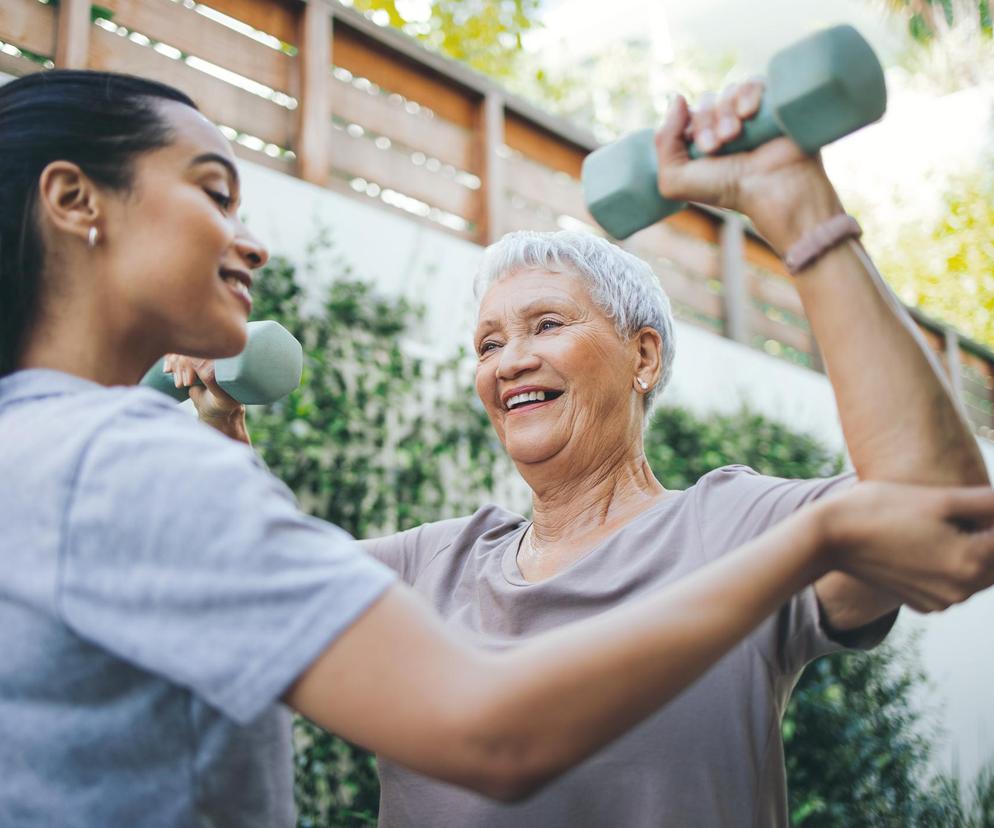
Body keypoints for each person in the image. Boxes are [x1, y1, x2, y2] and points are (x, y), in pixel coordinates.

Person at [3, 69, 991, 828]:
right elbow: (245, 589)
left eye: (547, 325)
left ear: (644, 354)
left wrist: (800, 214)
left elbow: (935, 506)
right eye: (486, 342)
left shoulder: (734, 521)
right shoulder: (435, 560)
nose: (508, 358)